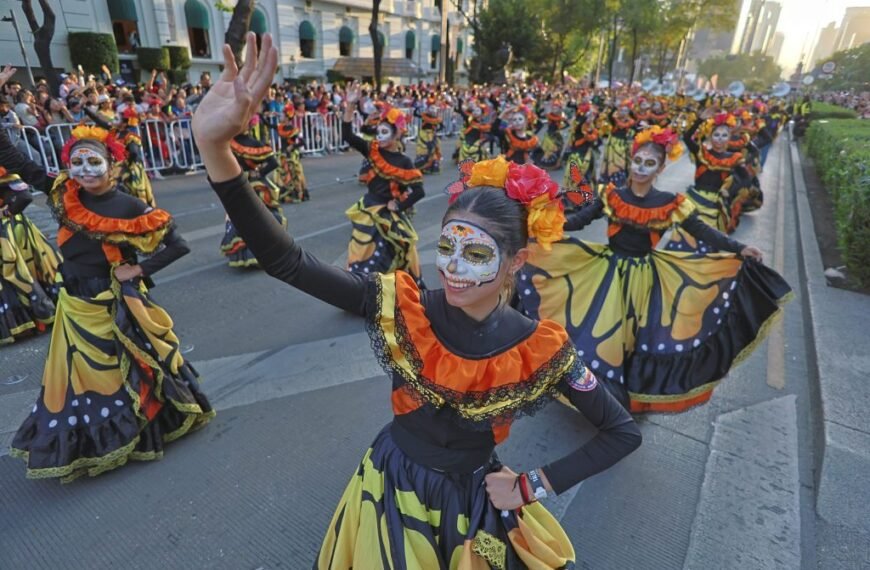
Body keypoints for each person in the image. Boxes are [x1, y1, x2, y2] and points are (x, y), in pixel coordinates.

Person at [192, 33, 641, 568]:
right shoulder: (404, 308)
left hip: (474, 500)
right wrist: (215, 151)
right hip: (389, 483)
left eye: (475, 253)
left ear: (516, 262)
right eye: (446, 245)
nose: (452, 265)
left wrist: (532, 485)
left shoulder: (538, 348)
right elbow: (285, 260)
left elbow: (622, 432)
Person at [518, 125, 793, 413]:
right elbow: (578, 220)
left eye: (649, 163)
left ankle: (615, 395)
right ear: (631, 160)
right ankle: (589, 388)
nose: (640, 168)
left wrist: (738, 249)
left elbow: (702, 231)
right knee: (597, 331)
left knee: (629, 335)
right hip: (606, 271)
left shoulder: (669, 203)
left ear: (660, 168)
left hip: (643, 278)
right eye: (638, 161)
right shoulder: (612, 195)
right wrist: (540, 224)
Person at [10, 125, 214, 482]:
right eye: (77, 162)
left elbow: (178, 245)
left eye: (93, 162)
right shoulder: (64, 194)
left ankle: (138, 430)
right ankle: (91, 436)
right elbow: (16, 160)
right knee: (76, 376)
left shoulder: (129, 205)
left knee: (126, 370)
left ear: (112, 164)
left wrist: (137, 268)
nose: (85, 170)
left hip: (112, 302)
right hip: (73, 303)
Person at [341, 83, 426, 285]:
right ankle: (359, 288)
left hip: (390, 213)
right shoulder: (373, 150)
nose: (379, 135)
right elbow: (348, 136)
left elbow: (419, 191)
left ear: (397, 134)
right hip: (369, 208)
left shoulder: (404, 161)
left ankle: (394, 291)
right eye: (378, 131)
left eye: (385, 131)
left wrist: (399, 205)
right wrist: (351, 105)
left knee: (403, 248)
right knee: (361, 249)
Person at [0, 169, 59, 344]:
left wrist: (5, 214)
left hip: (10, 233)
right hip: (10, 232)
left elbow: (25, 197)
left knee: (20, 273)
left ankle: (40, 314)